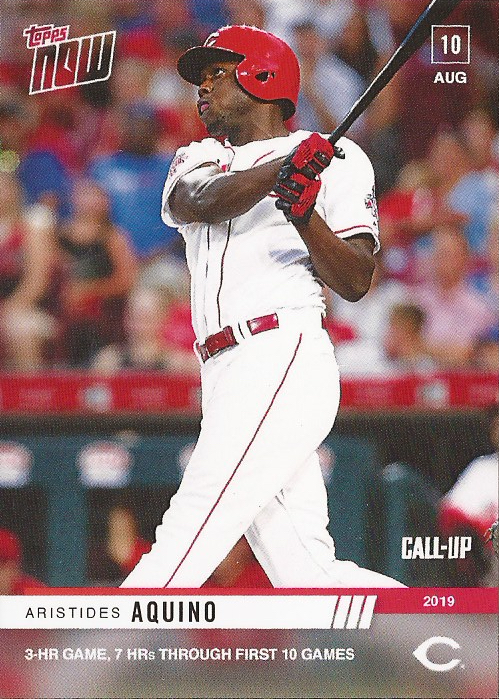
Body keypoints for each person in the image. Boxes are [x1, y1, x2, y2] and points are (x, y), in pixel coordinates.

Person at [121, 25, 404, 589]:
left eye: (215, 74)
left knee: (184, 539)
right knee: (310, 576)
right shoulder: (198, 157)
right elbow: (194, 200)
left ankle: (86, 664)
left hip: (280, 354)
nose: (202, 88)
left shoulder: (340, 160)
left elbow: (353, 278)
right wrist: (284, 169)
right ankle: (456, 646)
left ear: (263, 75)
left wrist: (305, 215)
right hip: (224, 371)